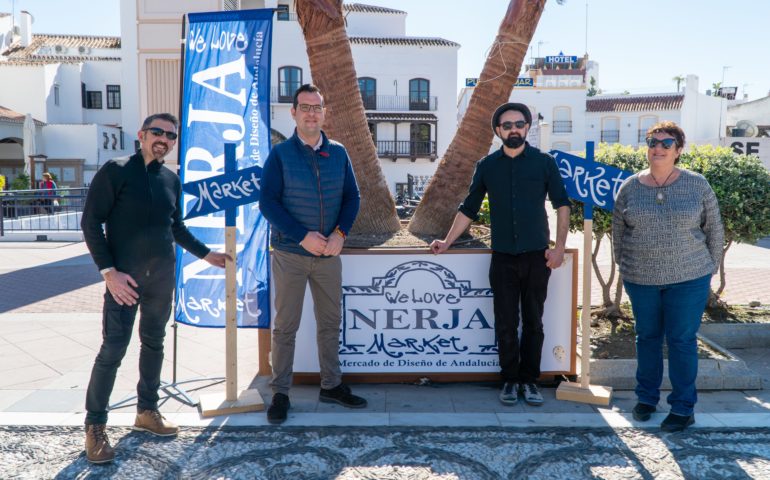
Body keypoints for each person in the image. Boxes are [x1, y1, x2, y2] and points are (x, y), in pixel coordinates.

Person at [80, 113, 230, 463]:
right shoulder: (116, 171)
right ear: (142, 134)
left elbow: (174, 227)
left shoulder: (170, 179)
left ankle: (147, 412)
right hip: (124, 282)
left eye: (171, 135)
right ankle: (95, 426)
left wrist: (207, 254)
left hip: (161, 280)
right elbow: (91, 223)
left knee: (154, 344)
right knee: (113, 350)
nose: (164, 138)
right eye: (158, 132)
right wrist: (109, 273)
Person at [430, 103, 571, 407]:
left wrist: (558, 248)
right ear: (498, 131)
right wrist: (447, 241)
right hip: (503, 257)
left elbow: (562, 204)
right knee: (505, 322)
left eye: (519, 124)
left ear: (527, 127)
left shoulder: (545, 163)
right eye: (506, 125)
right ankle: (509, 379)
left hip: (537, 257)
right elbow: (468, 208)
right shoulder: (487, 166)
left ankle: (530, 381)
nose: (513, 129)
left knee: (534, 321)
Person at [259, 84, 366, 425]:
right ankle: (280, 393)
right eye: (304, 107)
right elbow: (268, 204)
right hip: (291, 254)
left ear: (324, 112)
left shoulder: (338, 152)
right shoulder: (280, 154)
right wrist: (302, 236)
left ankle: (331, 386)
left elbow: (353, 198)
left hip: (329, 257)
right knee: (286, 327)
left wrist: (340, 234)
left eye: (317, 107)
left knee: (330, 324)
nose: (311, 113)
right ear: (293, 113)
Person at [612, 121, 724, 432]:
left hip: (689, 279)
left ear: (678, 150)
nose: (657, 148)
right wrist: (625, 266)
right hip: (641, 279)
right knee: (646, 339)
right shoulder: (630, 187)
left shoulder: (697, 185)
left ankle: (683, 407)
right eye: (652, 142)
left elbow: (714, 230)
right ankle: (646, 398)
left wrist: (708, 269)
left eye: (666, 143)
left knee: (681, 341)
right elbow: (617, 232)